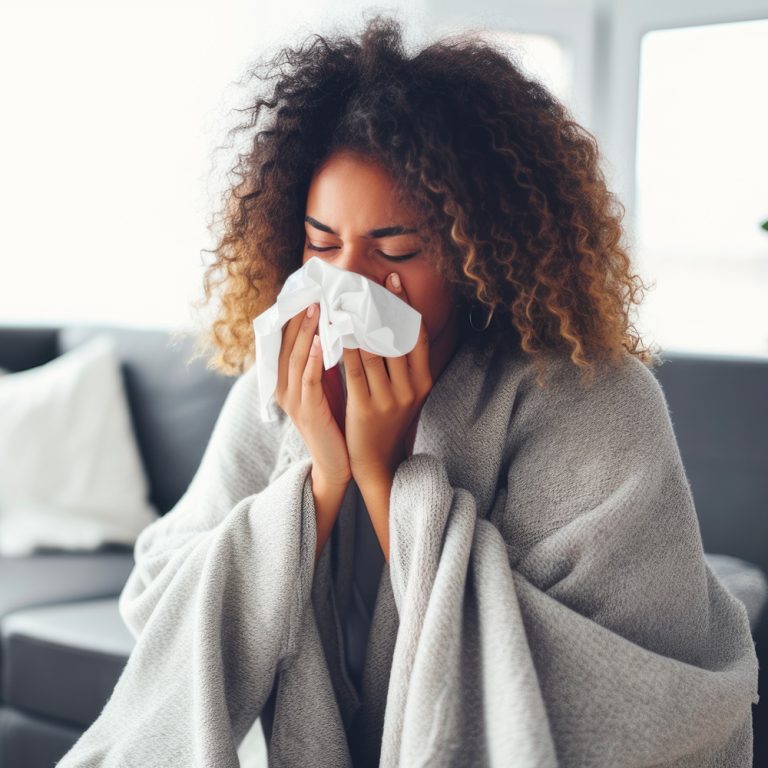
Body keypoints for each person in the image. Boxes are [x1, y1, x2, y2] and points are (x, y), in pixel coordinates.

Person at [56, 12, 759, 768]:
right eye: (322, 244)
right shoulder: (289, 380)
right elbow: (159, 598)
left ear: (475, 253)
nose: (348, 284)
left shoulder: (591, 397)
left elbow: (633, 697)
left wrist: (387, 479)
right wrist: (320, 483)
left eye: (394, 249)